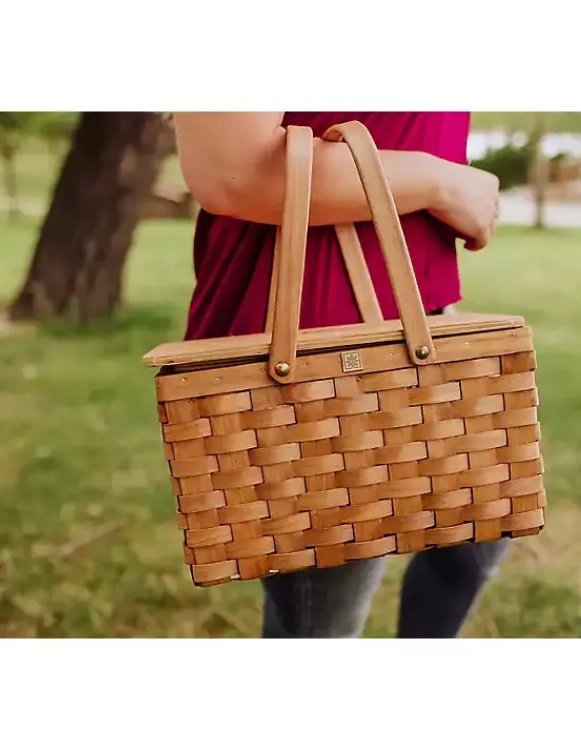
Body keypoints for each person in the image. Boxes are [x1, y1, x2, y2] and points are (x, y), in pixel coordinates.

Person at [172, 112, 507, 638]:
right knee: (322, 621)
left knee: (481, 533)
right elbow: (231, 172)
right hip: (314, 340)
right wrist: (440, 181)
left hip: (418, 311)